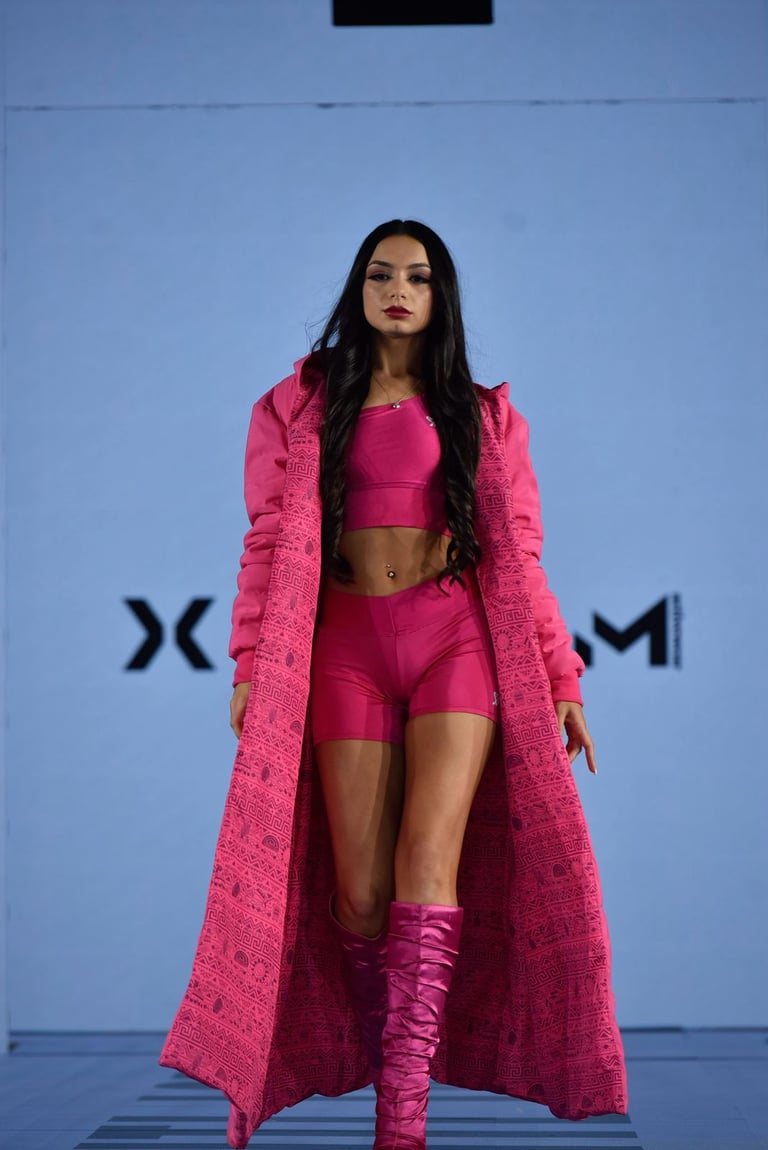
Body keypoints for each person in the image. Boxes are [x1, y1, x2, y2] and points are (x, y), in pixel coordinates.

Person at [159, 220, 626, 1150]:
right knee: (364, 895)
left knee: (429, 865)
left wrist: (560, 677)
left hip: (455, 642)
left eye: (417, 277)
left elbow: (521, 557)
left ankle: (401, 1122)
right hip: (345, 649)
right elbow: (265, 539)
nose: (398, 291)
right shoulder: (298, 403)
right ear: (359, 289)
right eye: (380, 275)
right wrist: (251, 663)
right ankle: (390, 1060)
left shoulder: (483, 416)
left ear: (440, 295)